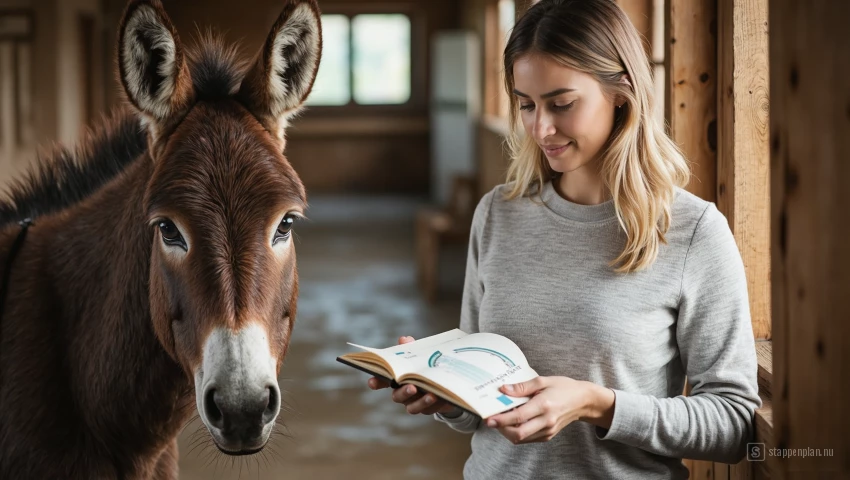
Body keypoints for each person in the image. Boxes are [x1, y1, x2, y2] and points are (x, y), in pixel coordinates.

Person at [367, 0, 761, 478]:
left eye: (562, 103)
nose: (541, 128)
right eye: (526, 105)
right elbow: (480, 408)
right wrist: (444, 394)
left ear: (622, 91)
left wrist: (600, 406)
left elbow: (734, 424)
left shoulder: (693, 231)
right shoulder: (498, 213)